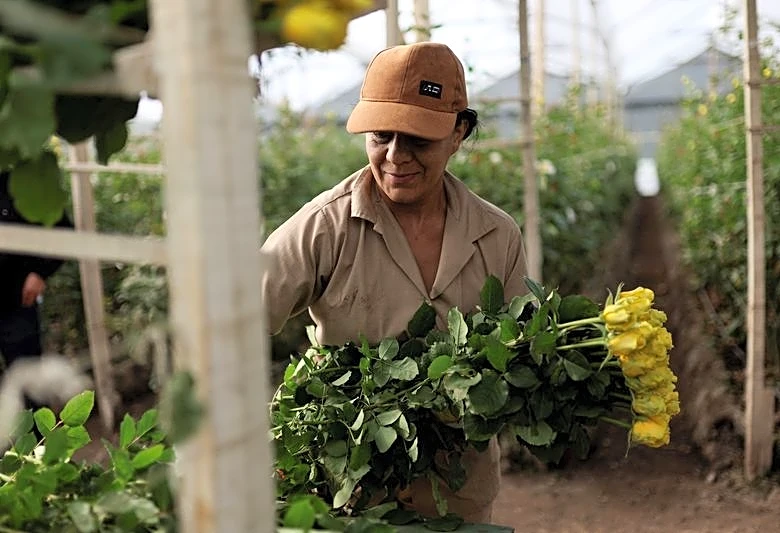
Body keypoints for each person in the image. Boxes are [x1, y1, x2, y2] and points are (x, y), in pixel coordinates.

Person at [261, 42, 529, 524]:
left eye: (418, 140)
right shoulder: (325, 227)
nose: (394, 156)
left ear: (459, 132)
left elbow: (515, 353)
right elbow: (233, 320)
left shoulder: (498, 235)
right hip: (349, 493)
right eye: (380, 136)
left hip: (457, 492)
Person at [0, 170, 72, 371]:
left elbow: (62, 231)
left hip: (15, 302)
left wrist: (40, 271)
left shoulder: (21, 180)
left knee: (28, 382)